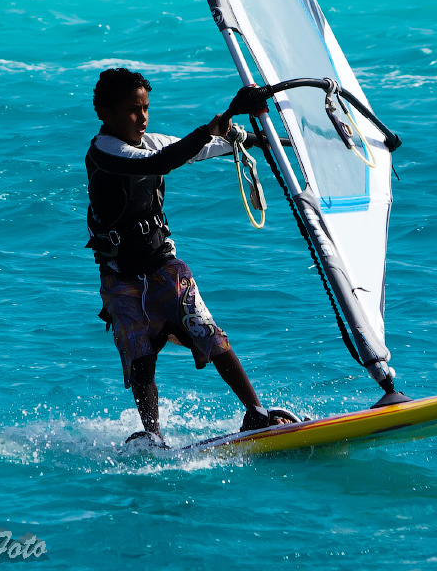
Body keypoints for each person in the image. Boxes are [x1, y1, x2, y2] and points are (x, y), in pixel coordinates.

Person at [85, 67, 287, 445]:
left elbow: (198, 149)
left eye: (145, 108)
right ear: (105, 113)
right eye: (132, 110)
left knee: (208, 332)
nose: (142, 117)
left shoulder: (149, 141)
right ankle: (153, 434)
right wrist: (225, 116)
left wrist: (265, 141)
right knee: (141, 357)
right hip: (121, 277)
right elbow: (157, 164)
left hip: (163, 265)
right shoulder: (105, 153)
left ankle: (257, 413)